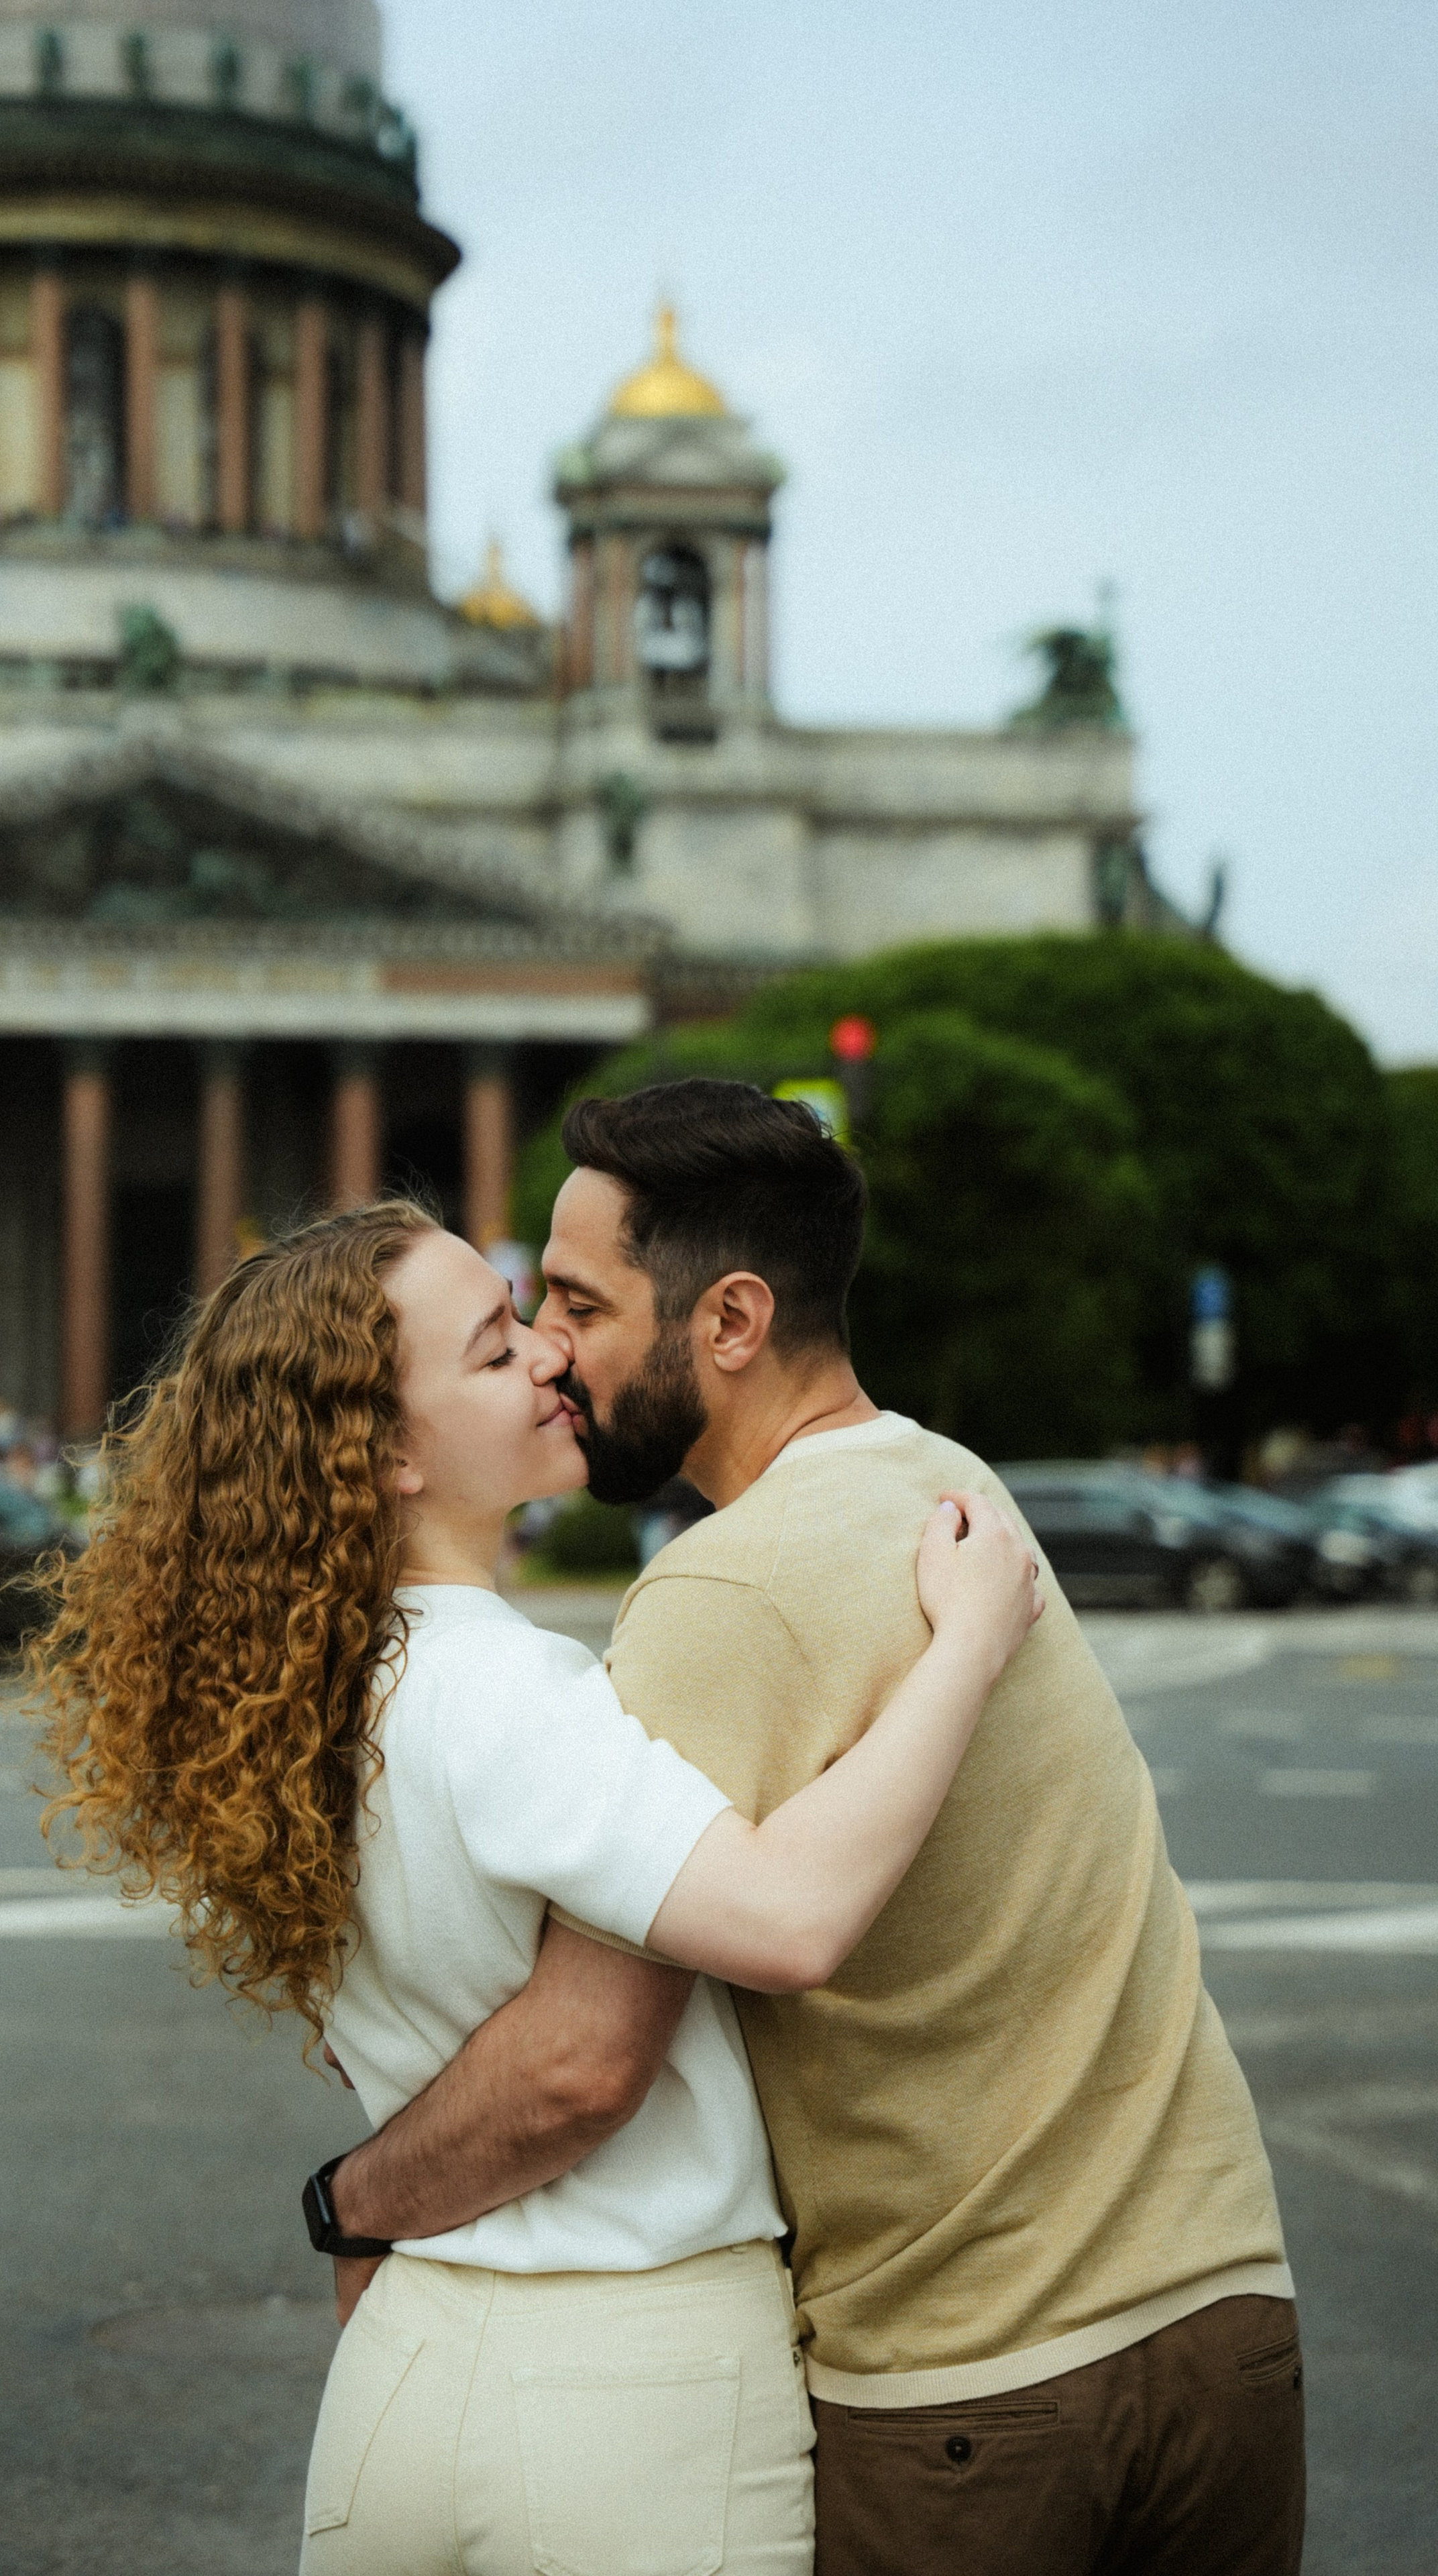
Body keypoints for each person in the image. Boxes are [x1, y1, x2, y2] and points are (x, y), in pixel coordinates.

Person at [325, 1081, 1307, 2576]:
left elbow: (585, 2059)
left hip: (975, 2373)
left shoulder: (720, 1592)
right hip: (1225, 2317)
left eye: (579, 1304)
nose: (552, 1350)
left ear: (729, 1321)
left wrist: (358, 2202)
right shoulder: (954, 1487)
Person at [27, 1194, 1042, 2576]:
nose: (551, 1355)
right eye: (496, 1350)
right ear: (390, 1452)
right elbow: (788, 1919)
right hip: (633, 2387)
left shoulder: (303, 1702)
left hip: (401, 2373)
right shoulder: (509, 1687)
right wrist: (967, 1648)